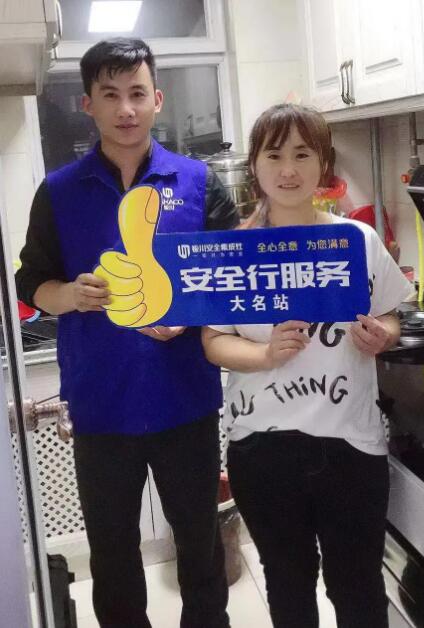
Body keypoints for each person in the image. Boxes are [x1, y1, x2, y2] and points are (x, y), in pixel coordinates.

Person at [16, 38, 239, 628]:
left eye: (137, 93)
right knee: (113, 558)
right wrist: (68, 295)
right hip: (100, 406)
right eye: (110, 95)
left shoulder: (197, 183)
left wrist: (188, 314)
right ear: (87, 103)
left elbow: (229, 278)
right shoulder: (59, 192)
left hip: (185, 400)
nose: (126, 109)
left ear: (157, 99)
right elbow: (30, 282)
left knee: (201, 548)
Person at [202, 103, 412, 628]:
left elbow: (391, 315)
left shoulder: (355, 240)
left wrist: (381, 335)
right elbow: (214, 342)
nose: (289, 170)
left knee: (358, 588)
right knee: (288, 586)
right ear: (255, 165)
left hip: (351, 444)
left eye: (302, 154)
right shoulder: (234, 250)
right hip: (263, 447)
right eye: (274, 155)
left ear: (324, 164)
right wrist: (265, 354)